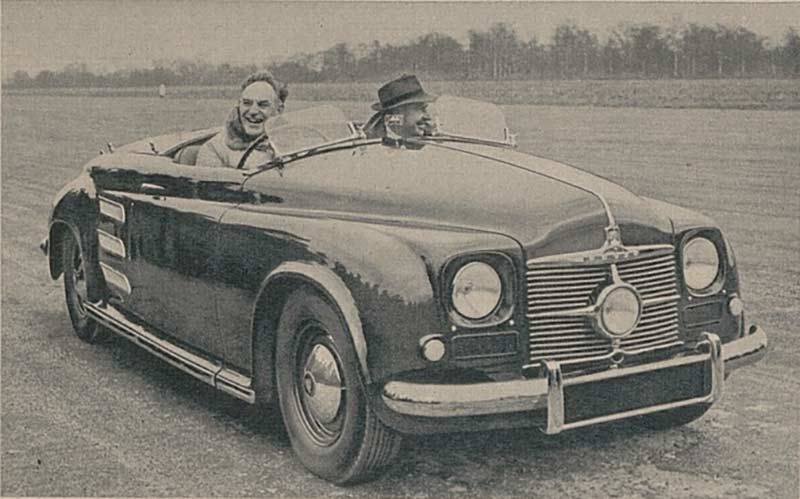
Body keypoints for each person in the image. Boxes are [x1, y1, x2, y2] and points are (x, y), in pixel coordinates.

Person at [196, 71, 288, 168]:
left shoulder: (293, 141)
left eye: (263, 105)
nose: (253, 111)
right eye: (247, 103)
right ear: (239, 105)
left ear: (279, 110)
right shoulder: (215, 149)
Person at [363, 74, 437, 140]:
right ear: (398, 111)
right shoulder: (372, 140)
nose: (428, 116)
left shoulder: (392, 122)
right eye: (422, 109)